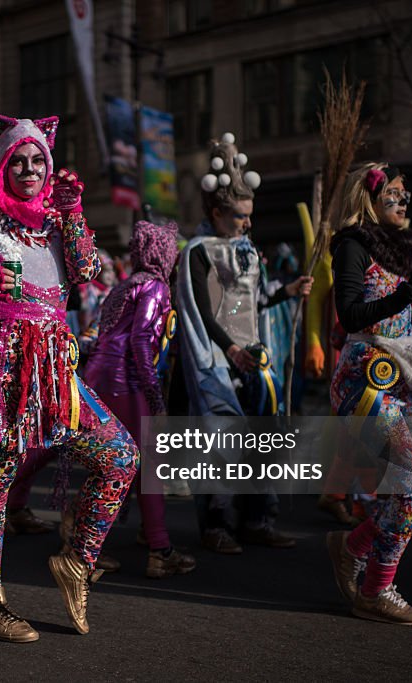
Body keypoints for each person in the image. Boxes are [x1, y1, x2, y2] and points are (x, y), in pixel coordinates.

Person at [0, 113, 138, 642]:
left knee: (119, 455)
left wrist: (72, 214)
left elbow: (89, 270)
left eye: (37, 160)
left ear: (48, 167)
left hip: (52, 370)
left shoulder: (56, 220)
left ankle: (77, 560)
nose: (27, 168)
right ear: (0, 165)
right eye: (16, 159)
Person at [325, 162, 412, 625]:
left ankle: (353, 545)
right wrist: (410, 293)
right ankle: (376, 590)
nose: (404, 202)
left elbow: (402, 307)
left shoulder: (399, 247)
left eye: (406, 194)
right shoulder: (353, 244)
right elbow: (350, 315)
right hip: (364, 380)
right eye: (394, 194)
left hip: (397, 378)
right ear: (370, 199)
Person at [176, 133, 312, 553]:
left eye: (249, 216)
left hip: (255, 358)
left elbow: (253, 301)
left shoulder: (248, 248)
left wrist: (287, 291)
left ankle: (257, 518)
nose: (247, 224)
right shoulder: (198, 251)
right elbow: (198, 308)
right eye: (239, 216)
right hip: (217, 362)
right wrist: (229, 350)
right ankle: (216, 523)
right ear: (217, 213)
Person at [84, 220, 195, 578]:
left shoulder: (126, 284)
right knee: (150, 466)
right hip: (125, 381)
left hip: (99, 378)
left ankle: (90, 538)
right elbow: (139, 344)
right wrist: (154, 397)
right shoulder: (155, 287)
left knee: (114, 463)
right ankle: (154, 549)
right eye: (171, 251)